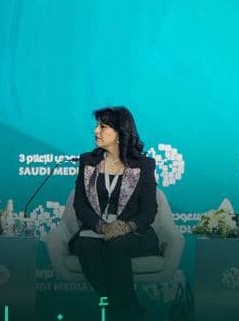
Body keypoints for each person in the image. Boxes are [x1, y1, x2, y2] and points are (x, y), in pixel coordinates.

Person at [69, 106, 159, 321]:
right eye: (96, 126)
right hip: (95, 231)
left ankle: (120, 313)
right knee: (87, 246)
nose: (96, 131)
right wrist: (102, 226)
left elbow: (149, 210)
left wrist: (125, 226)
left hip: (133, 233)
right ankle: (130, 312)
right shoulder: (88, 161)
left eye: (103, 127)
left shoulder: (143, 165)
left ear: (120, 132)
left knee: (116, 244)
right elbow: (80, 205)